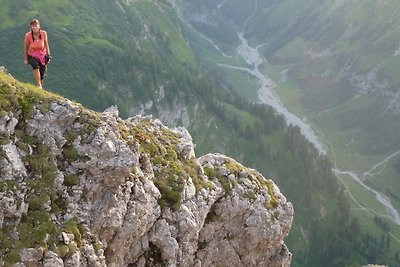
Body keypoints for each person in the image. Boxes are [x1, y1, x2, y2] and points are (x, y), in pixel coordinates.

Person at [24, 19, 51, 89]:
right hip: (31, 55)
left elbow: (46, 44)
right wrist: (26, 59)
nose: (35, 27)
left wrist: (48, 55)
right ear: (31, 27)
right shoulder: (28, 35)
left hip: (42, 55)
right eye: (33, 26)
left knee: (42, 74)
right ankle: (39, 85)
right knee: (35, 66)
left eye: (36, 26)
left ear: (39, 26)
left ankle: (40, 87)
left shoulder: (44, 33)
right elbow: (26, 47)